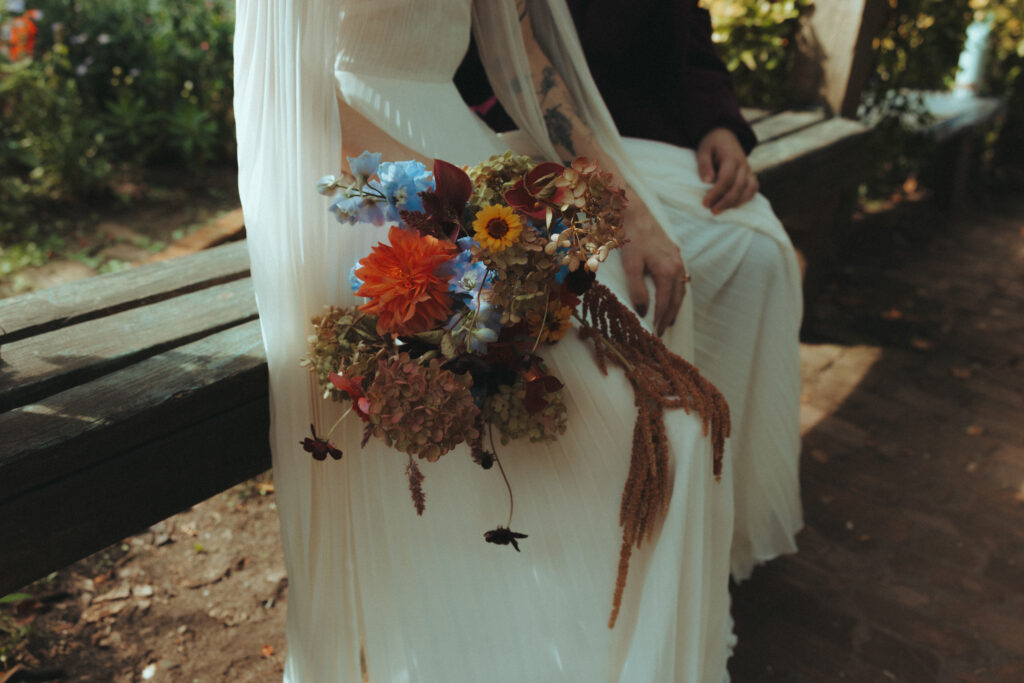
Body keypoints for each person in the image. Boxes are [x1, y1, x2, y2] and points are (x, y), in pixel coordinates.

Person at [233, 1, 787, 680]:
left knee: (672, 420)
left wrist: (625, 204)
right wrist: (454, 206)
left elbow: (525, 46)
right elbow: (292, 85)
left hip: (468, 154)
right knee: (617, 426)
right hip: (359, 177)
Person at [456, 0, 804, 582]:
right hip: (509, 128)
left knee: (757, 254)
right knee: (604, 286)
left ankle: (717, 520)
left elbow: (684, 25)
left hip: (640, 125)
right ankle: (610, 542)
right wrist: (618, 208)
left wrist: (716, 121)